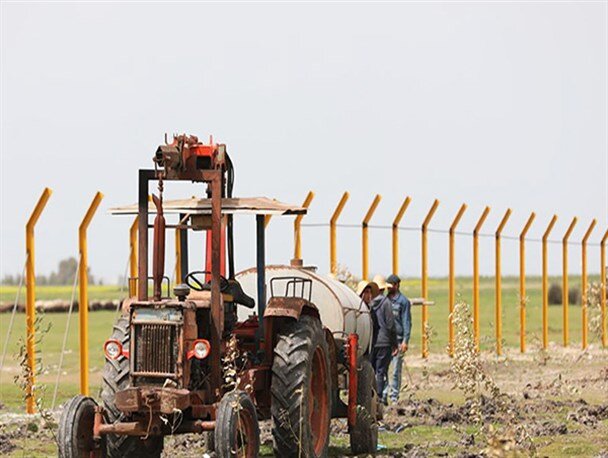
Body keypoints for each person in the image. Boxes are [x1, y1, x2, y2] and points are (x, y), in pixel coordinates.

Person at [368, 277, 397, 405]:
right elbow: (390, 325)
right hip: (384, 342)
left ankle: (370, 396)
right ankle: (379, 398)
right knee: (381, 371)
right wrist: (394, 343)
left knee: (372, 369)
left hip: (371, 341)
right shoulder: (386, 303)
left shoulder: (368, 303)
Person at [384, 274, 412, 403]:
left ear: (396, 285)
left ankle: (394, 396)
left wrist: (405, 341)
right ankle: (383, 395)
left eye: (391, 286)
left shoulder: (403, 302)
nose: (388, 289)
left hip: (399, 340)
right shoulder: (386, 300)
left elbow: (406, 322)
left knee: (395, 370)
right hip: (386, 341)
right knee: (383, 369)